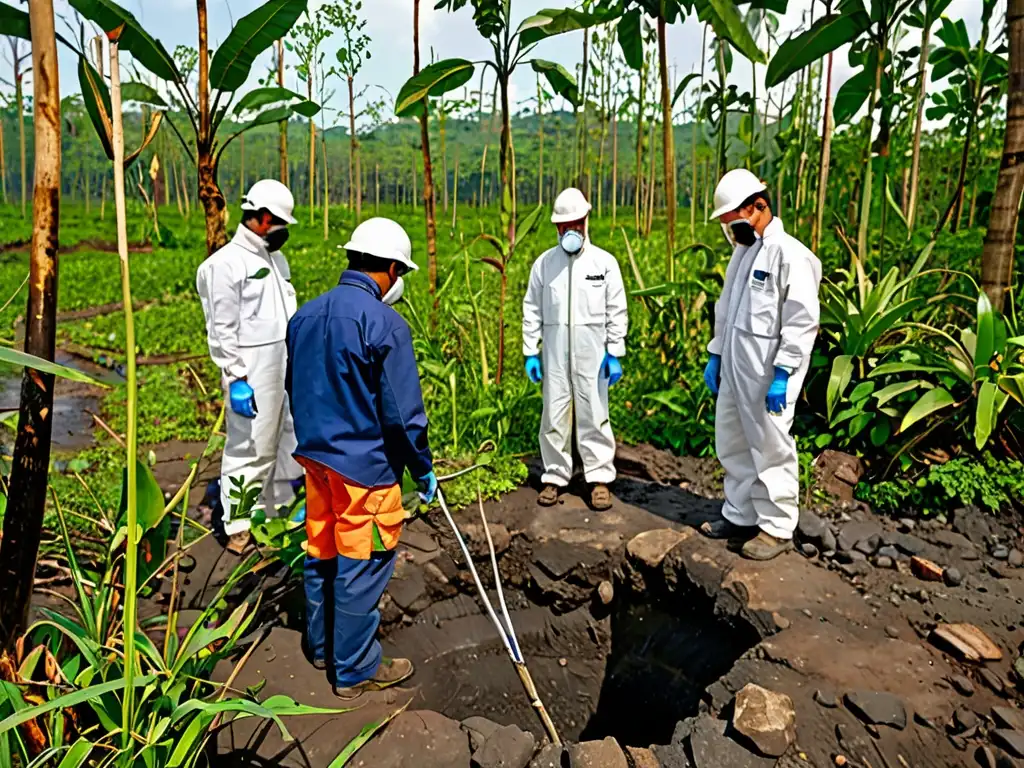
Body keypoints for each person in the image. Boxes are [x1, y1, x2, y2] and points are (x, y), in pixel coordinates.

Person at [285, 217, 435, 700]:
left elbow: (295, 388)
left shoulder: (304, 316)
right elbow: (402, 413)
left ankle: (323, 647)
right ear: (391, 268)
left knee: (322, 548)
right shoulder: (384, 323)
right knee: (363, 558)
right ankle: (354, 669)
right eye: (400, 273)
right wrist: (422, 466)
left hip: (316, 464)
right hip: (364, 470)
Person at [700, 169, 822, 560]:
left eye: (734, 222)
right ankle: (740, 514)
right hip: (737, 366)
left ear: (759, 207)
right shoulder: (743, 253)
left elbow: (802, 320)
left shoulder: (792, 255)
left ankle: (776, 526)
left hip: (769, 371)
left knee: (771, 446)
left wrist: (784, 373)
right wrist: (717, 353)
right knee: (733, 441)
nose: (731, 231)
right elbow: (726, 307)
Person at [196, 179, 304, 554]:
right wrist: (236, 377)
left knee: (285, 437)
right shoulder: (223, 266)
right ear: (260, 217)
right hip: (252, 368)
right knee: (249, 446)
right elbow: (221, 329)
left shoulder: (275, 261)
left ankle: (274, 512)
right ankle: (239, 526)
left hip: (284, 361)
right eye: (279, 224)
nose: (283, 232)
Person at [522, 188, 628, 511]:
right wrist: (530, 351)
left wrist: (615, 351)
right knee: (553, 414)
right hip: (554, 355)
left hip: (593, 355)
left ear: (586, 221)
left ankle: (598, 479)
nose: (571, 231)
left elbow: (617, 309)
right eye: (564, 225)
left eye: (576, 224)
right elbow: (532, 309)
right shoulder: (544, 265)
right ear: (556, 227)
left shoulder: (604, 264)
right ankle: (554, 476)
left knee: (595, 414)